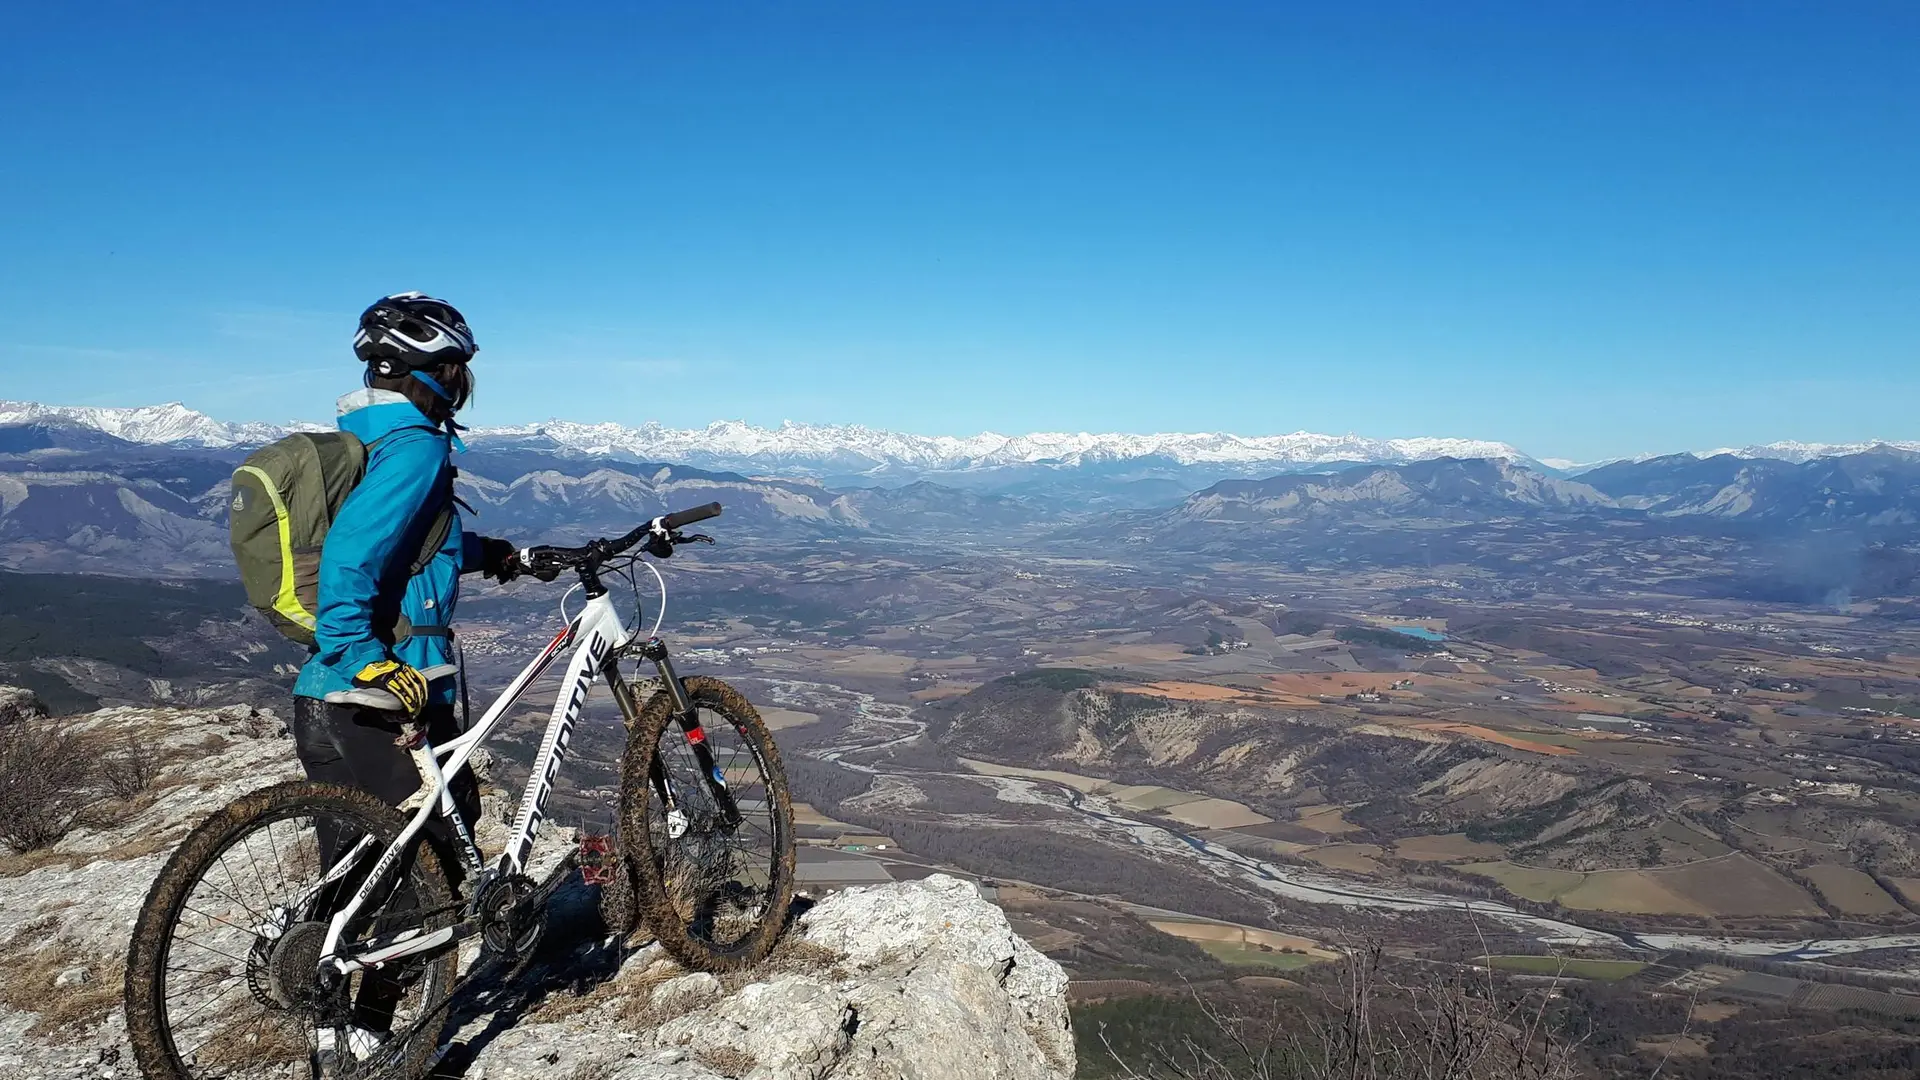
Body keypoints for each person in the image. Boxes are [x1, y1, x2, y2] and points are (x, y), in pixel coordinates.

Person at [288, 292, 520, 1057]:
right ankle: (378, 1040)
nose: (464, 388)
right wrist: (364, 654)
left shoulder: (369, 438)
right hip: (382, 692)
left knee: (358, 870)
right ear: (439, 371)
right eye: (461, 372)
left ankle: (330, 1023)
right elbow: (355, 554)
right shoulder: (416, 444)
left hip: (323, 698)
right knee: (432, 866)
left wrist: (501, 556)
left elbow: (412, 541)